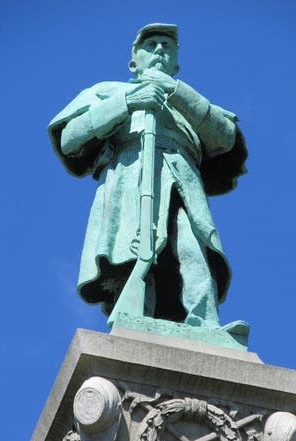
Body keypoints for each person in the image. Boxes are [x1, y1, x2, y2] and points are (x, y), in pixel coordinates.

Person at [48, 23, 247, 331]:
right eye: (151, 45)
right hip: (129, 177)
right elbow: (70, 138)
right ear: (133, 61)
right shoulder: (106, 92)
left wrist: (175, 91)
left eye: (166, 47)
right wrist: (128, 102)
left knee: (193, 248)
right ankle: (135, 315)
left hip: (182, 180)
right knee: (134, 249)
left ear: (176, 62)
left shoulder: (190, 101)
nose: (158, 51)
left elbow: (225, 136)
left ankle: (206, 324)